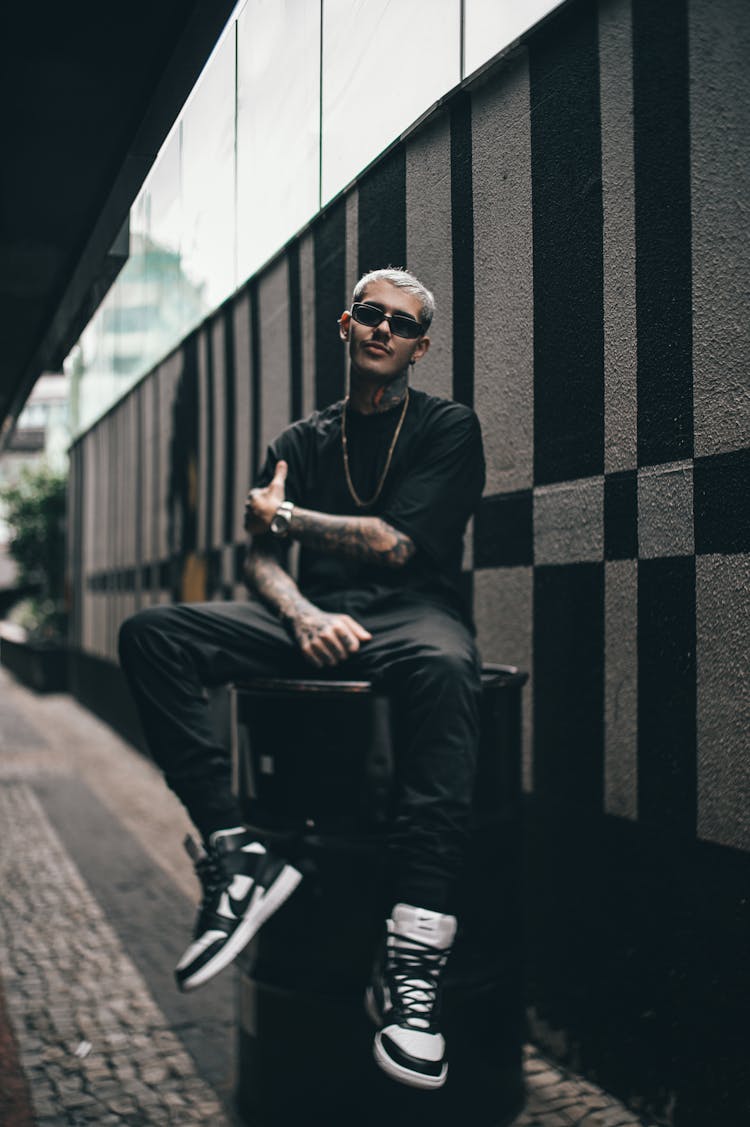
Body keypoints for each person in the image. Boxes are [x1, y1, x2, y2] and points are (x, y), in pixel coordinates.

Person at [118, 267, 486, 1090]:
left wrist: (285, 518)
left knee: (447, 667)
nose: (383, 329)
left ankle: (413, 956)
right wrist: (299, 613)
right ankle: (235, 851)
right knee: (152, 633)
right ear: (345, 326)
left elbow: (397, 544)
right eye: (370, 314)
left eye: (402, 322)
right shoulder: (301, 440)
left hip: (409, 615)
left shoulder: (449, 428)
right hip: (314, 621)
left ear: (421, 345)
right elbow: (256, 559)